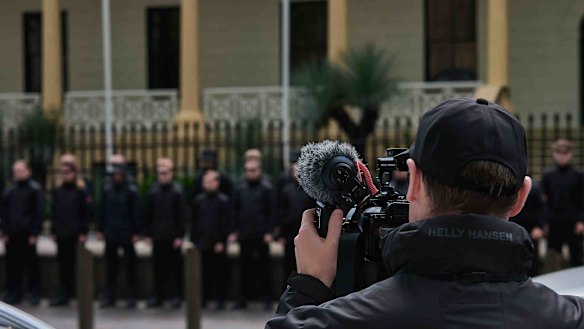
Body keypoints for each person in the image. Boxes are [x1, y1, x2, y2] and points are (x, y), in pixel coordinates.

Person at [266, 98, 584, 328]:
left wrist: (308, 285)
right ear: (521, 196)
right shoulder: (571, 317)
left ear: (413, 181)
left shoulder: (345, 320)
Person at [230, 158, 276, 310]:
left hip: (261, 234)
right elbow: (235, 210)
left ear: (259, 171)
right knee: (244, 268)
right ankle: (242, 299)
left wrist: (269, 232)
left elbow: (271, 212)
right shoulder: (240, 188)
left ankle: (267, 298)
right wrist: (235, 230)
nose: (250, 173)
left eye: (253, 170)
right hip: (245, 234)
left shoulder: (266, 188)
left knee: (264, 268)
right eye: (248, 170)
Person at [144, 158, 187, 308]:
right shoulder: (153, 191)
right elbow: (148, 214)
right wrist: (148, 234)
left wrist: (180, 236)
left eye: (165, 172)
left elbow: (182, 216)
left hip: (172, 237)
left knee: (175, 269)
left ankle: (176, 296)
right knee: (158, 268)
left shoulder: (177, 191)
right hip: (157, 236)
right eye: (160, 173)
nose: (163, 175)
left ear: (171, 173)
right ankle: (158, 295)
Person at [0, 160, 44, 305]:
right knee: (12, 265)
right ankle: (14, 292)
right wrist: (4, 231)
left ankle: (34, 293)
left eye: (20, 170)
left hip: (27, 234)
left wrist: (34, 233)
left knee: (31, 265)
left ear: (28, 171)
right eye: (15, 171)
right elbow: (4, 213)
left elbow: (38, 213)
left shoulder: (34, 189)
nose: (18, 174)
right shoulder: (10, 190)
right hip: (12, 234)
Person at [98, 164, 141, 308]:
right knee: (111, 267)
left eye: (119, 174)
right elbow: (102, 211)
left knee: (130, 267)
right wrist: (101, 229)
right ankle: (110, 295)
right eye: (114, 174)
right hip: (111, 232)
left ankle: (132, 295)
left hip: (127, 233)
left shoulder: (131, 191)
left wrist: (136, 232)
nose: (117, 176)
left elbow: (136, 212)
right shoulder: (107, 190)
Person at [49, 162, 90, 306]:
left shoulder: (81, 191)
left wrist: (83, 232)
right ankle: (64, 293)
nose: (65, 175)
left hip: (75, 233)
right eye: (63, 172)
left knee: (75, 265)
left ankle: (75, 292)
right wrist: (53, 230)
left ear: (74, 173)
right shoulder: (57, 190)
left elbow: (85, 213)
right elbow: (54, 212)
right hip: (61, 233)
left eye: (68, 172)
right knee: (63, 265)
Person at [191, 170, 231, 310]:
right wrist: (194, 240)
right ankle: (204, 298)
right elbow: (194, 222)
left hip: (218, 243)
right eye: (205, 182)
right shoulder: (198, 200)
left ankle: (221, 298)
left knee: (219, 272)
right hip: (203, 242)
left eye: (211, 181)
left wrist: (222, 241)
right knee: (204, 272)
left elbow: (226, 222)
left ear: (217, 183)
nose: (208, 184)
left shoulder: (223, 200)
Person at [541, 139, 584, 270]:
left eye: (565, 152)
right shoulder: (548, 175)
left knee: (576, 257)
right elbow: (544, 201)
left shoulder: (578, 175)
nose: (562, 155)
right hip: (554, 222)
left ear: (571, 154)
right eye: (558, 152)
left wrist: (582, 221)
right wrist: (545, 223)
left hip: (573, 222)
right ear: (554, 154)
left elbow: (582, 200)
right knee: (552, 258)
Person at [275, 152, 314, 284]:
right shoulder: (286, 190)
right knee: (289, 262)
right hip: (289, 231)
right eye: (293, 170)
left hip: (306, 230)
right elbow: (281, 211)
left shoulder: (311, 191)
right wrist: (280, 234)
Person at [510, 182, 546, 276]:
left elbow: (541, 209)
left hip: (530, 229)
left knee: (532, 260)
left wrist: (539, 226)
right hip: (511, 227)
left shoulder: (535, 188)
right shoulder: (508, 186)